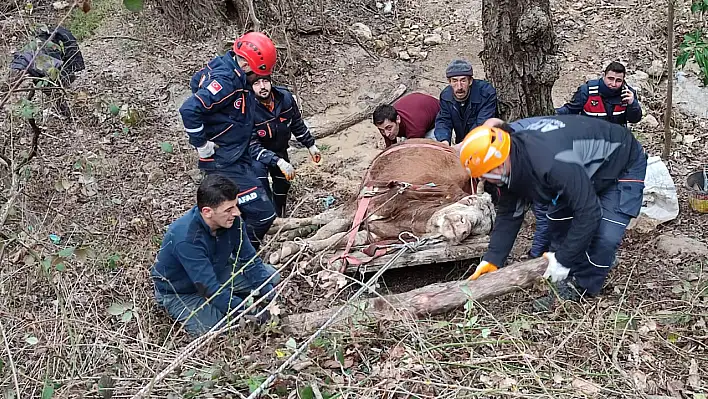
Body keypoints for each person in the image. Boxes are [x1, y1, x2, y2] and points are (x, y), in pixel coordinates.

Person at [459, 115, 647, 308]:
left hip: (622, 163)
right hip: (581, 169)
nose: (484, 181)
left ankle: (581, 286)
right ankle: (575, 264)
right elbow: (510, 212)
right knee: (559, 221)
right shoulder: (512, 156)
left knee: (605, 238)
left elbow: (589, 212)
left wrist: (563, 260)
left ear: (496, 167)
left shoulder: (551, 161)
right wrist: (493, 258)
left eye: (484, 176)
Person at [179, 32, 278, 250]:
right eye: (258, 74)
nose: (260, 80)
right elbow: (189, 109)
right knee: (263, 214)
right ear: (246, 65)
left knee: (248, 206)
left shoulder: (230, 70)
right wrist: (202, 145)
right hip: (223, 162)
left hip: (237, 154)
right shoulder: (226, 81)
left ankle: (238, 249)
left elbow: (196, 82)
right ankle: (242, 257)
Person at [150, 174, 280, 337]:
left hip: (215, 271)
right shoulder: (186, 239)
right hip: (181, 290)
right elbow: (209, 288)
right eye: (229, 209)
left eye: (236, 205)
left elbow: (249, 259)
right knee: (220, 328)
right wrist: (249, 311)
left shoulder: (231, 220)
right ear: (207, 212)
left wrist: (268, 293)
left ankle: (238, 298)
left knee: (271, 277)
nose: (237, 213)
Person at [249, 75, 321, 217]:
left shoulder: (285, 98)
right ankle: (267, 219)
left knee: (283, 183)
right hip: (257, 156)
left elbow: (296, 124)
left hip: (279, 148)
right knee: (260, 185)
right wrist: (277, 161)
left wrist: (311, 145)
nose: (262, 87)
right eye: (256, 83)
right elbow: (251, 145)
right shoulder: (247, 107)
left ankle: (280, 215)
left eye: (265, 81)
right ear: (250, 87)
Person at [8, 25, 85, 117]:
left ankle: (67, 113)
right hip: (36, 63)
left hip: (29, 62)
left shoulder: (37, 44)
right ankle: (67, 113)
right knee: (53, 87)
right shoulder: (55, 38)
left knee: (52, 88)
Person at [556, 61, 642, 127]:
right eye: (610, 79)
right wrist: (551, 114)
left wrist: (632, 104)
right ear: (604, 76)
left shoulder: (628, 94)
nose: (613, 84)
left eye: (618, 80)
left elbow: (634, 119)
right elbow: (570, 110)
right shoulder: (587, 91)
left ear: (623, 80)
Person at [434, 59, 497, 145]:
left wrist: (463, 145)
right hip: (462, 141)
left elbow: (483, 124)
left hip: (485, 141)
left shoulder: (486, 93)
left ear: (470, 81)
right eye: (455, 81)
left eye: (463, 81)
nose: (459, 87)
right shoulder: (446, 96)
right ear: (449, 82)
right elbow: (444, 120)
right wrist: (444, 141)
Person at [372, 92, 440, 147]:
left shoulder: (414, 128)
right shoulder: (386, 125)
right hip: (417, 113)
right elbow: (390, 147)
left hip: (439, 119)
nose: (386, 134)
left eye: (389, 128)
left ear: (398, 119)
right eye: (381, 130)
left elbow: (413, 152)